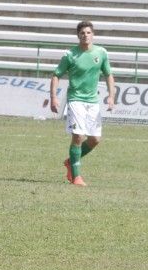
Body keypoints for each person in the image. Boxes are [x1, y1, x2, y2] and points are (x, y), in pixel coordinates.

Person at [48, 20, 115, 188]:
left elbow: (108, 74)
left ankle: (71, 162)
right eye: (82, 33)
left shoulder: (101, 52)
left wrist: (111, 96)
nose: (85, 35)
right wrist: (54, 98)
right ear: (78, 36)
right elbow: (56, 75)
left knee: (94, 140)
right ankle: (76, 177)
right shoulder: (70, 55)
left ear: (93, 34)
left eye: (88, 32)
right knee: (78, 136)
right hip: (76, 99)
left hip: (92, 101)